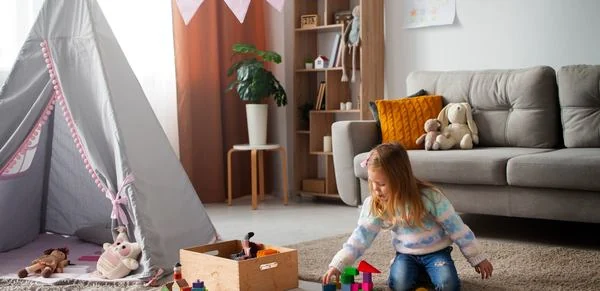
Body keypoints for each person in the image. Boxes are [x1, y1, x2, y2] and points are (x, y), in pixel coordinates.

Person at [322, 142, 493, 290]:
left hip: (437, 253)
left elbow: (457, 228)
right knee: (399, 285)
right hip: (406, 255)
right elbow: (360, 238)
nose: (375, 189)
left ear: (400, 180)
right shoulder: (375, 204)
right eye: (372, 182)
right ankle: (416, 272)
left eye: (381, 184)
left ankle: (427, 272)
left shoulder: (430, 197)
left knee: (449, 285)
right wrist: (339, 264)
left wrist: (477, 257)